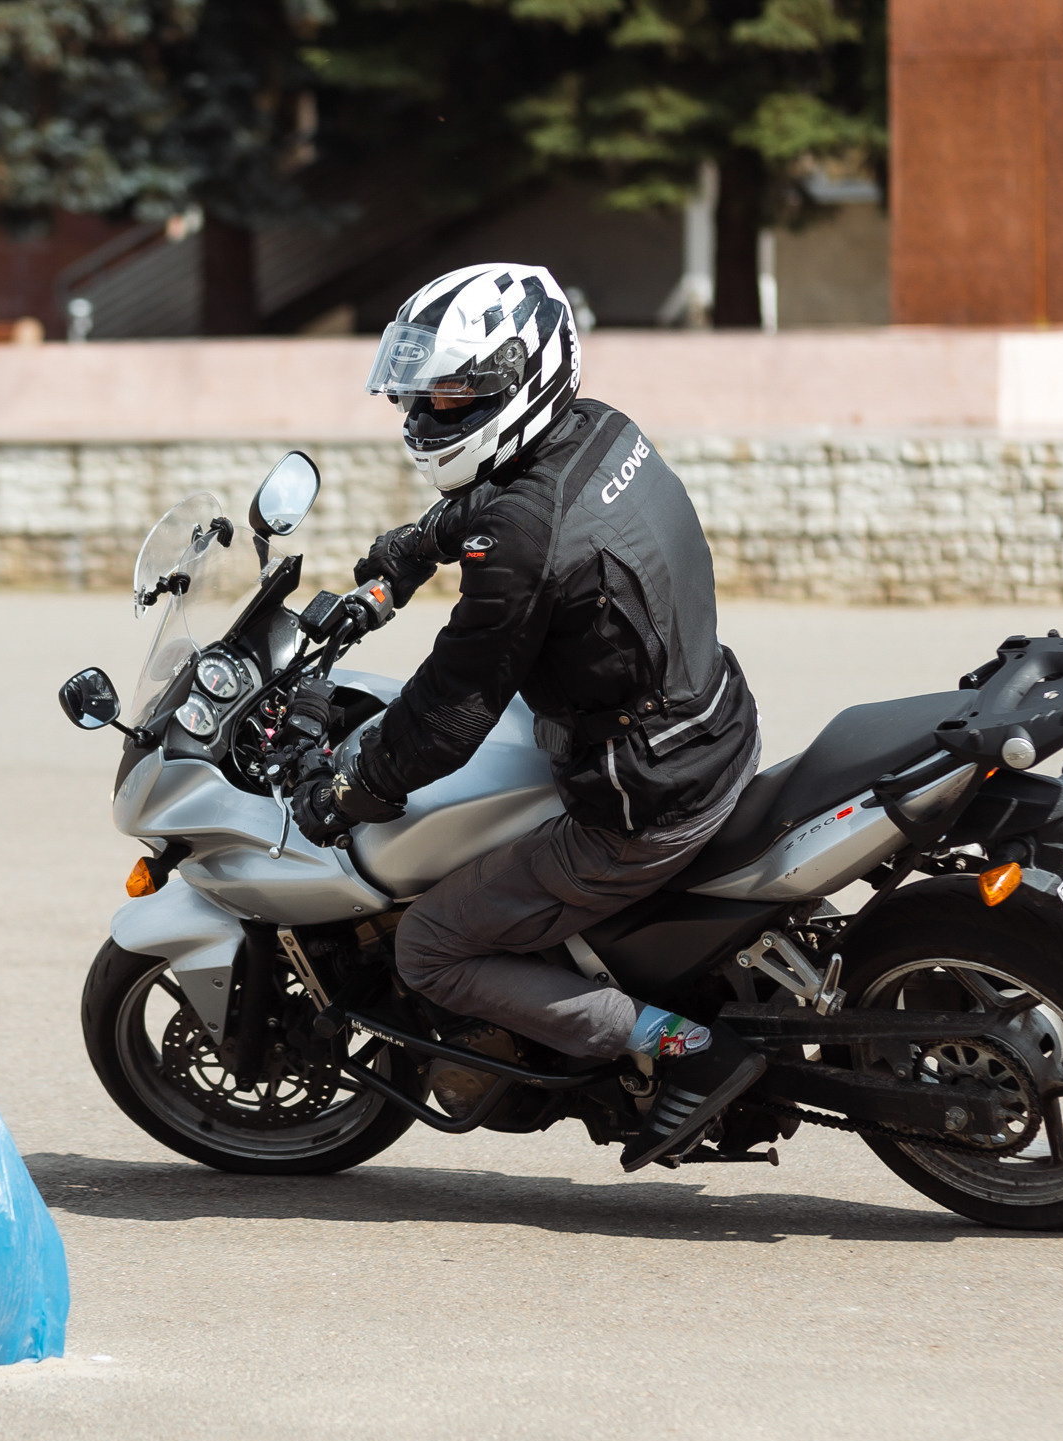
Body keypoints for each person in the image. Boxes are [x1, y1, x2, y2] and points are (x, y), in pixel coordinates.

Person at [290, 262, 768, 1172]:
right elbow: (511, 500)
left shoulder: (521, 541)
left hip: (644, 804)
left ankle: (687, 1046)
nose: (428, 414)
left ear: (523, 379)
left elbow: (445, 714)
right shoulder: (600, 430)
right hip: (710, 726)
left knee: (430, 945)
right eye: (423, 393)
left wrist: (346, 787)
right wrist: (414, 548)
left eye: (456, 392)